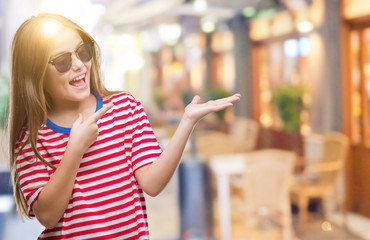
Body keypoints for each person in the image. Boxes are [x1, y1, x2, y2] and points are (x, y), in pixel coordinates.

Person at [8, 13, 240, 240]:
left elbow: (152, 183)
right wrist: (74, 150)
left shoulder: (125, 108)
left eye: (83, 52)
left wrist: (187, 121)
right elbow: (48, 216)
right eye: (62, 61)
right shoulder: (31, 138)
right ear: (35, 74)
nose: (79, 65)